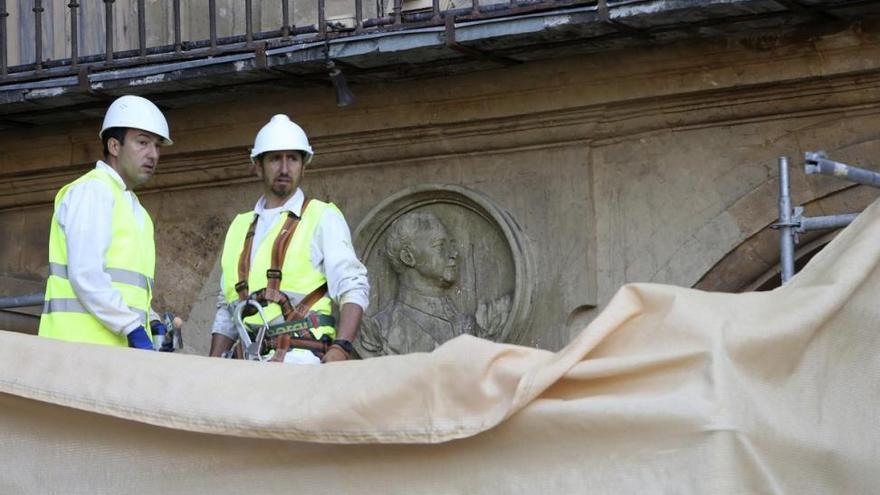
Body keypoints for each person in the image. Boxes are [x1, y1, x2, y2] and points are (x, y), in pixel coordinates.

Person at [208, 114, 369, 363]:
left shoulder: (322, 216)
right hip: (245, 366)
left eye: (292, 158)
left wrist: (341, 347)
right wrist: (212, 366)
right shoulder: (239, 226)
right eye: (275, 159)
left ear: (304, 166)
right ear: (257, 166)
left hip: (302, 361)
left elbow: (353, 285)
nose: (284, 168)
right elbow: (226, 311)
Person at [39, 95, 173, 350]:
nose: (153, 154)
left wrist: (150, 321)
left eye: (157, 146)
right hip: (76, 350)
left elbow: (124, 288)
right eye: (143, 143)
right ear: (114, 146)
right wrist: (132, 327)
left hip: (108, 354)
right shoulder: (93, 191)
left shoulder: (135, 209)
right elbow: (87, 275)